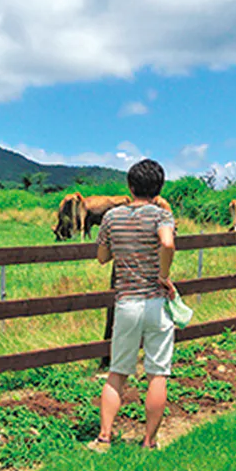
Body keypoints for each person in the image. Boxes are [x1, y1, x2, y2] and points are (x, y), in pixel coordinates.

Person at [90, 158, 176, 451]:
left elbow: (102, 257)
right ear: (159, 188)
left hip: (126, 302)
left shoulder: (112, 218)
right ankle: (149, 440)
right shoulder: (162, 217)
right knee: (157, 373)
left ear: (130, 186)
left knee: (117, 372)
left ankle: (104, 436)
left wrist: (124, 248)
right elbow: (167, 243)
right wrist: (163, 276)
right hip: (156, 303)